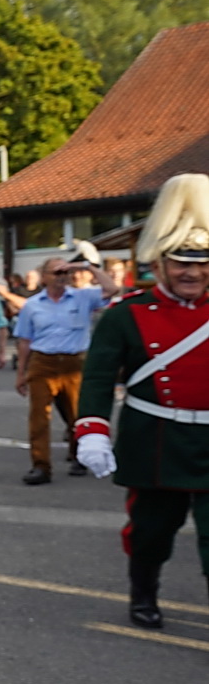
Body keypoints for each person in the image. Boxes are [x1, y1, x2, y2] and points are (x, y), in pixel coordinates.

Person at [75, 173, 209, 629]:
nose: (193, 272)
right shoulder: (126, 314)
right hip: (155, 441)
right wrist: (92, 429)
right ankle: (144, 591)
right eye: (182, 263)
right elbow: (96, 379)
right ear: (160, 261)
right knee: (151, 533)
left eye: (203, 263)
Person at [12, 254, 117, 484]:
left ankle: (79, 454)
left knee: (76, 413)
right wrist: (21, 373)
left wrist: (85, 266)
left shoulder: (82, 297)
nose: (62, 277)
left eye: (65, 272)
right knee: (39, 417)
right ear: (44, 277)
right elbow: (24, 341)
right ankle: (40, 466)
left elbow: (111, 288)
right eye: (56, 273)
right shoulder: (32, 305)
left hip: (74, 362)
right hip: (43, 361)